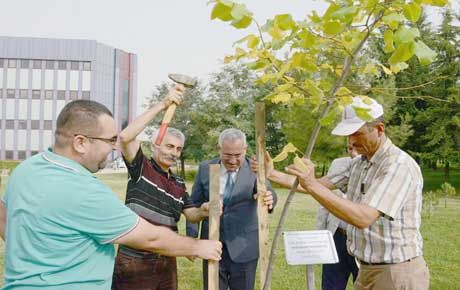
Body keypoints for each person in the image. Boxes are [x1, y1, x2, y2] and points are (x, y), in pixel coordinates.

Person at [0, 99, 221, 290]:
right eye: (109, 140)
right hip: (133, 260)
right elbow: (150, 238)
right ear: (80, 142)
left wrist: (43, 252)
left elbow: (3, 217)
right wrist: (197, 246)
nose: (113, 148)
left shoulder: (26, 170)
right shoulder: (87, 191)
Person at [267, 97, 429, 290]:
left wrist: (311, 184)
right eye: (348, 135)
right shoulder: (359, 164)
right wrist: (271, 173)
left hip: (396, 272)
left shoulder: (398, 165)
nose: (351, 141)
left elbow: (364, 217)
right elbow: (317, 185)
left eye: (357, 134)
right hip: (366, 269)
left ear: (379, 129)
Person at [112, 85, 216, 290]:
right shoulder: (142, 167)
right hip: (135, 260)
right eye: (169, 146)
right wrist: (163, 104)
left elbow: (191, 214)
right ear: (156, 145)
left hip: (167, 259)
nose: (174, 153)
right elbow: (125, 137)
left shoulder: (178, 183)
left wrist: (204, 210)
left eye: (178, 149)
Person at [186, 128, 277, 290]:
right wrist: (192, 240)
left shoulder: (255, 169)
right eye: (228, 155)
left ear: (245, 150)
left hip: (245, 246)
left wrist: (270, 198)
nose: (233, 160)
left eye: (238, 155)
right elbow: (193, 205)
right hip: (211, 245)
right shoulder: (205, 168)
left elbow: (269, 193)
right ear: (219, 149)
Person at [316, 142, 359, 290]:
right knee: (331, 286)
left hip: (361, 241)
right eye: (350, 148)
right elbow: (324, 201)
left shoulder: (377, 168)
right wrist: (321, 237)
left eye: (357, 148)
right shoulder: (338, 164)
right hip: (337, 238)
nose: (353, 152)